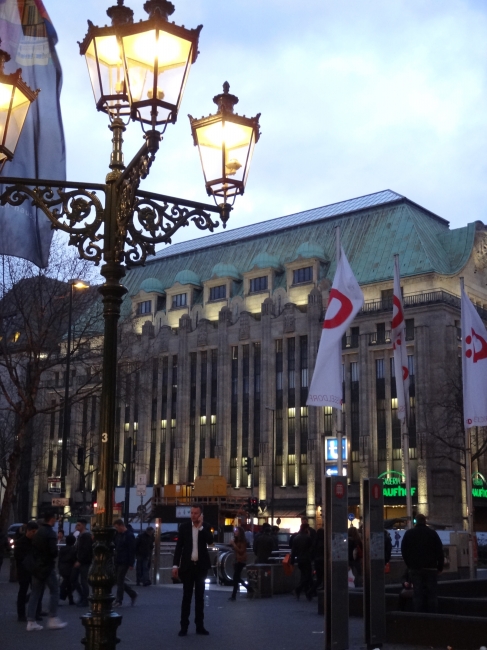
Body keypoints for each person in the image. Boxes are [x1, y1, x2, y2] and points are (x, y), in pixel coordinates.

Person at [172, 503, 214, 637]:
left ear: (201, 514)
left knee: (200, 598)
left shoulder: (206, 527)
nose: (193, 515)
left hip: (201, 567)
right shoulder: (184, 527)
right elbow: (179, 547)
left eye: (196, 513)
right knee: (186, 597)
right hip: (187, 567)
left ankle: (199, 626)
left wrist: (201, 527)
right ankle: (183, 626)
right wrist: (175, 565)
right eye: (191, 513)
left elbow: (210, 541)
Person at [26, 509, 67, 631]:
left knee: (35, 593)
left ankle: (31, 620)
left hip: (36, 566)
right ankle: (52, 618)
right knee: (54, 590)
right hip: (47, 566)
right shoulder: (50, 533)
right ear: (52, 519)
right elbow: (53, 552)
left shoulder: (38, 532)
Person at [401, 514, 444, 613]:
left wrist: (409, 565)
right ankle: (433, 617)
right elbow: (439, 551)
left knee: (417, 593)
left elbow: (404, 550)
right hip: (431, 568)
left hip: (415, 568)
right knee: (432, 594)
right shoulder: (432, 534)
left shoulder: (409, 534)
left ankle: (419, 617)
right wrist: (439, 567)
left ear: (415, 521)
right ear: (425, 521)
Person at [14, 521, 40, 622]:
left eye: (35, 532)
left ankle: (35, 612)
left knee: (35, 591)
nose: (34, 534)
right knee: (23, 591)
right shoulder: (20, 542)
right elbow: (19, 557)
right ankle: (21, 614)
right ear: (28, 531)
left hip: (33, 570)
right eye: (32, 531)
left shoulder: (35, 541)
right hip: (24, 570)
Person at [113, 519, 138, 607]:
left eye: (117, 527)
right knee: (119, 580)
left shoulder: (128, 536)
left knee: (119, 579)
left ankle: (119, 600)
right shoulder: (123, 535)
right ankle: (131, 594)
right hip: (120, 559)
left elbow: (132, 550)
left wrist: (131, 563)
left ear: (121, 526)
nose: (116, 529)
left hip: (124, 560)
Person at [73, 518, 93, 607]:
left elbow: (86, 550)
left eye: (79, 525)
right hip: (80, 560)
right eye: (77, 525)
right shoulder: (81, 536)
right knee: (75, 579)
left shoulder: (86, 536)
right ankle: (83, 597)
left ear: (84, 526)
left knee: (83, 581)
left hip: (84, 562)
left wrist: (80, 560)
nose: (77, 526)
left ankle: (85, 599)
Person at [290, 523, 313, 600]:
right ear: (306, 529)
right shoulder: (308, 538)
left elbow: (293, 551)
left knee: (303, 576)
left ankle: (306, 593)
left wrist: (292, 561)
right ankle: (298, 589)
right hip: (307, 559)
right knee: (307, 576)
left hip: (299, 559)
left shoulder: (296, 538)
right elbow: (311, 549)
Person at [228, 526, 252, 600]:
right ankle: (249, 588)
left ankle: (234, 595)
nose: (235, 532)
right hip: (237, 560)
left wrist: (234, 545)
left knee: (236, 578)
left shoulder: (243, 541)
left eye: (237, 531)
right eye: (235, 531)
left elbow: (241, 551)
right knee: (236, 578)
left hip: (241, 560)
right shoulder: (237, 540)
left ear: (240, 533)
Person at [58, 534, 77, 605]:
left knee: (67, 583)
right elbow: (73, 559)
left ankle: (69, 599)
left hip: (62, 567)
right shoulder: (73, 549)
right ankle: (63, 596)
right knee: (69, 583)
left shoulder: (62, 549)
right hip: (69, 567)